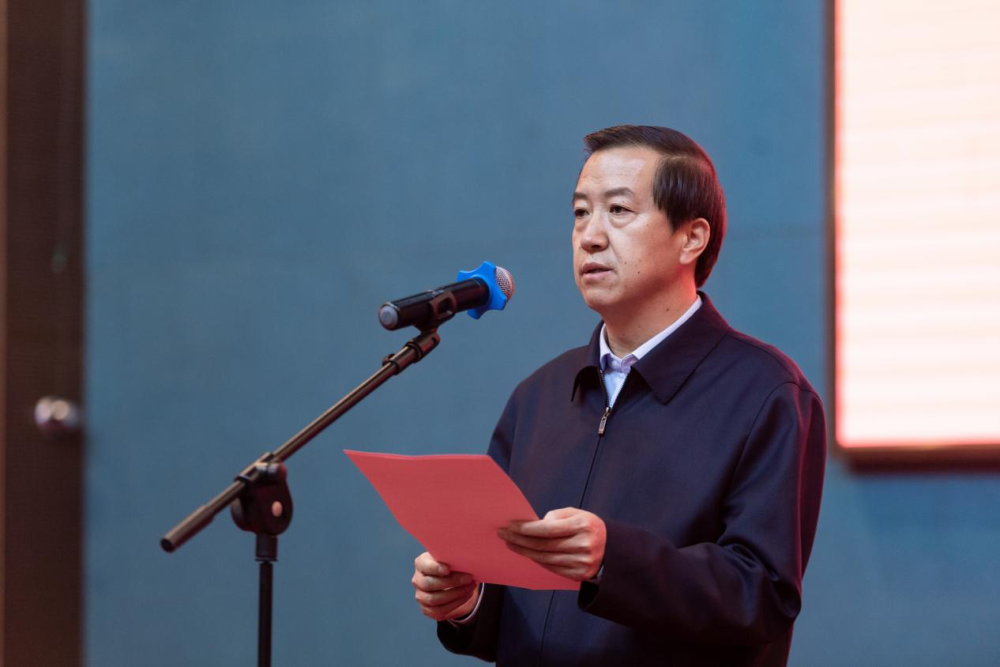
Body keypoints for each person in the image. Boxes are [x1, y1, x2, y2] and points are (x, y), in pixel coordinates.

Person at [411, 125, 826, 666]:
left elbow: (762, 596)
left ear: (691, 238)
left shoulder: (766, 393)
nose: (590, 236)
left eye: (619, 210)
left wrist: (612, 559)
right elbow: (516, 603)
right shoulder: (537, 398)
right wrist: (468, 602)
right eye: (580, 213)